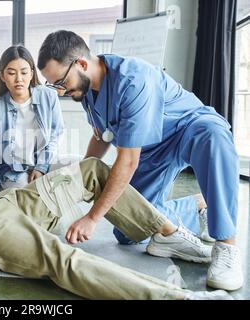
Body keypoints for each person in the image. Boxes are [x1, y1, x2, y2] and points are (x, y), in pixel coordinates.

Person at [0, 108, 231, 300]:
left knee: (93, 169)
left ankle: (164, 233)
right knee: (64, 259)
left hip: (2, 202)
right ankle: (177, 298)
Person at [37, 30, 242, 291]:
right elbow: (103, 136)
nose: (61, 91)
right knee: (129, 232)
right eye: (54, 85)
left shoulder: (133, 79)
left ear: (81, 64)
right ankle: (197, 206)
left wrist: (92, 217)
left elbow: (128, 161)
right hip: (153, 149)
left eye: (61, 82)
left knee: (214, 136)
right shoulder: (86, 90)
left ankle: (226, 245)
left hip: (189, 127)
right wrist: (79, 178)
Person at [0, 45, 73, 196]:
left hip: (47, 162)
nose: (19, 79)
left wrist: (41, 168)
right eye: (11, 73)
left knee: (79, 166)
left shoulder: (49, 96)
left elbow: (55, 135)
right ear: (2, 76)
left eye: (24, 72)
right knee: (28, 195)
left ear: (31, 73)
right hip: (15, 172)